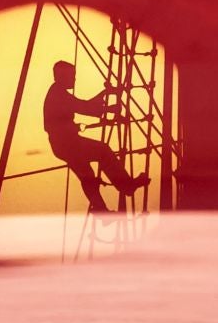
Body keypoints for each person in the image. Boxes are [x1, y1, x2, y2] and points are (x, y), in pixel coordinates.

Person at [42, 61, 148, 215]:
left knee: (87, 175)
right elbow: (85, 108)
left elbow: (84, 106)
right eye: (72, 76)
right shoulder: (59, 95)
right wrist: (108, 107)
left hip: (62, 145)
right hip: (69, 144)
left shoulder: (57, 93)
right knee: (103, 151)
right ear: (62, 76)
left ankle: (101, 210)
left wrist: (104, 96)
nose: (74, 80)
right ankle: (126, 186)